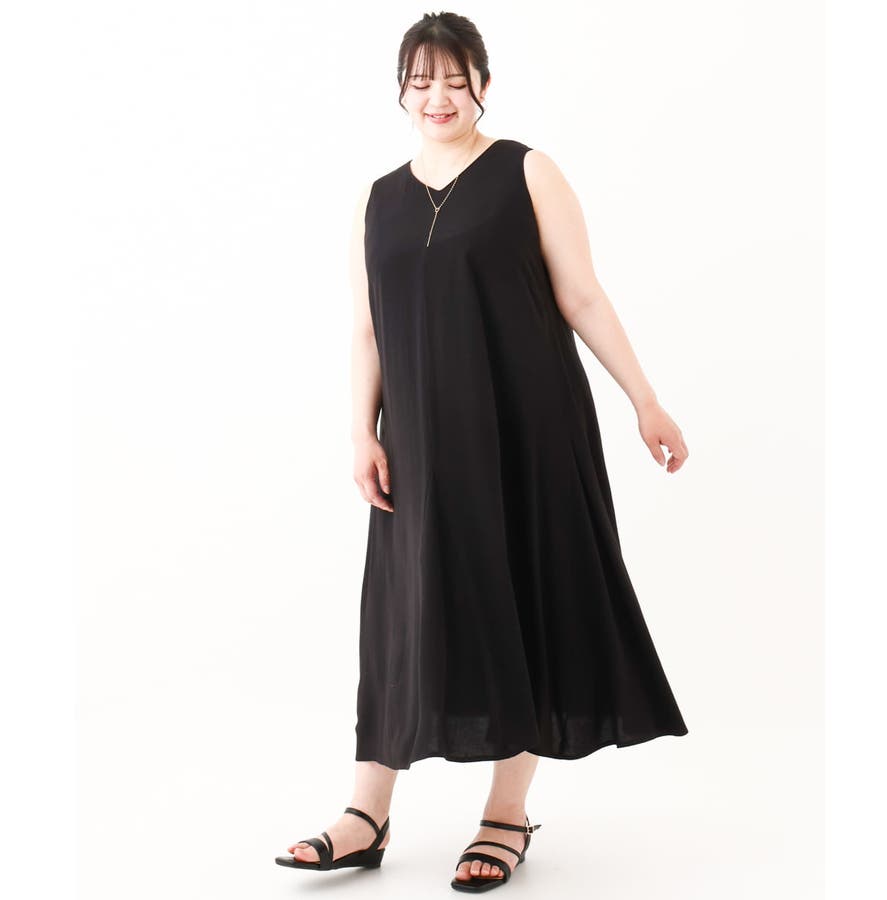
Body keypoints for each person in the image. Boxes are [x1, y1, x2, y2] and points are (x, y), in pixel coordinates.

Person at [275, 10, 690, 892]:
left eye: (455, 80)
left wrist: (645, 401)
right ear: (401, 92)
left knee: (524, 600)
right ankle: (366, 813)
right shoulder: (377, 199)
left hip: (526, 430)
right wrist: (360, 431)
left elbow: (581, 296)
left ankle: (507, 813)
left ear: (484, 86)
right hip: (419, 446)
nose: (438, 96)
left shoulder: (527, 171)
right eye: (421, 81)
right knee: (400, 616)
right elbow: (367, 328)